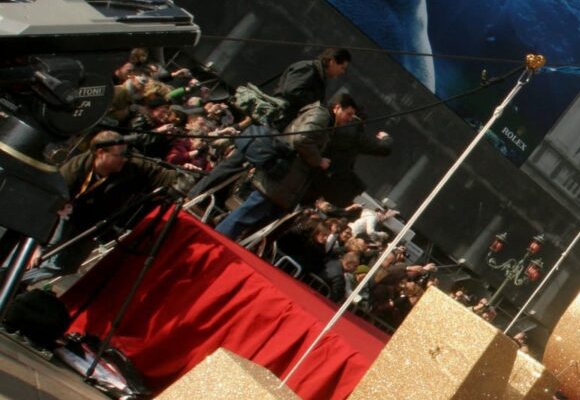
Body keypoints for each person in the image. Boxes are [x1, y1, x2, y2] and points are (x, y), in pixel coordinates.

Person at [23, 131, 184, 285]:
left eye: (126, 154)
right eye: (120, 155)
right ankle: (13, 279)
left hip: (92, 225)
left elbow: (163, 175)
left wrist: (185, 174)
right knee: (41, 257)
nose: (124, 159)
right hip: (63, 216)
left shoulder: (132, 167)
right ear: (101, 153)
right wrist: (35, 245)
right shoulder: (74, 170)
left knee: (66, 266)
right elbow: (47, 207)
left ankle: (22, 282)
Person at [215, 94, 358, 240]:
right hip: (281, 179)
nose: (350, 118)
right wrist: (318, 160)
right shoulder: (321, 116)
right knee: (246, 215)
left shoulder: (326, 122)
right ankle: (216, 239)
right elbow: (301, 139)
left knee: (253, 219)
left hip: (285, 182)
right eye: (349, 114)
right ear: (337, 107)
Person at [270, 48, 350, 120]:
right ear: (332, 61)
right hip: (276, 118)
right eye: (342, 68)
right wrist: (314, 105)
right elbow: (292, 91)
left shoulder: (320, 79)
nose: (342, 72)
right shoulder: (309, 68)